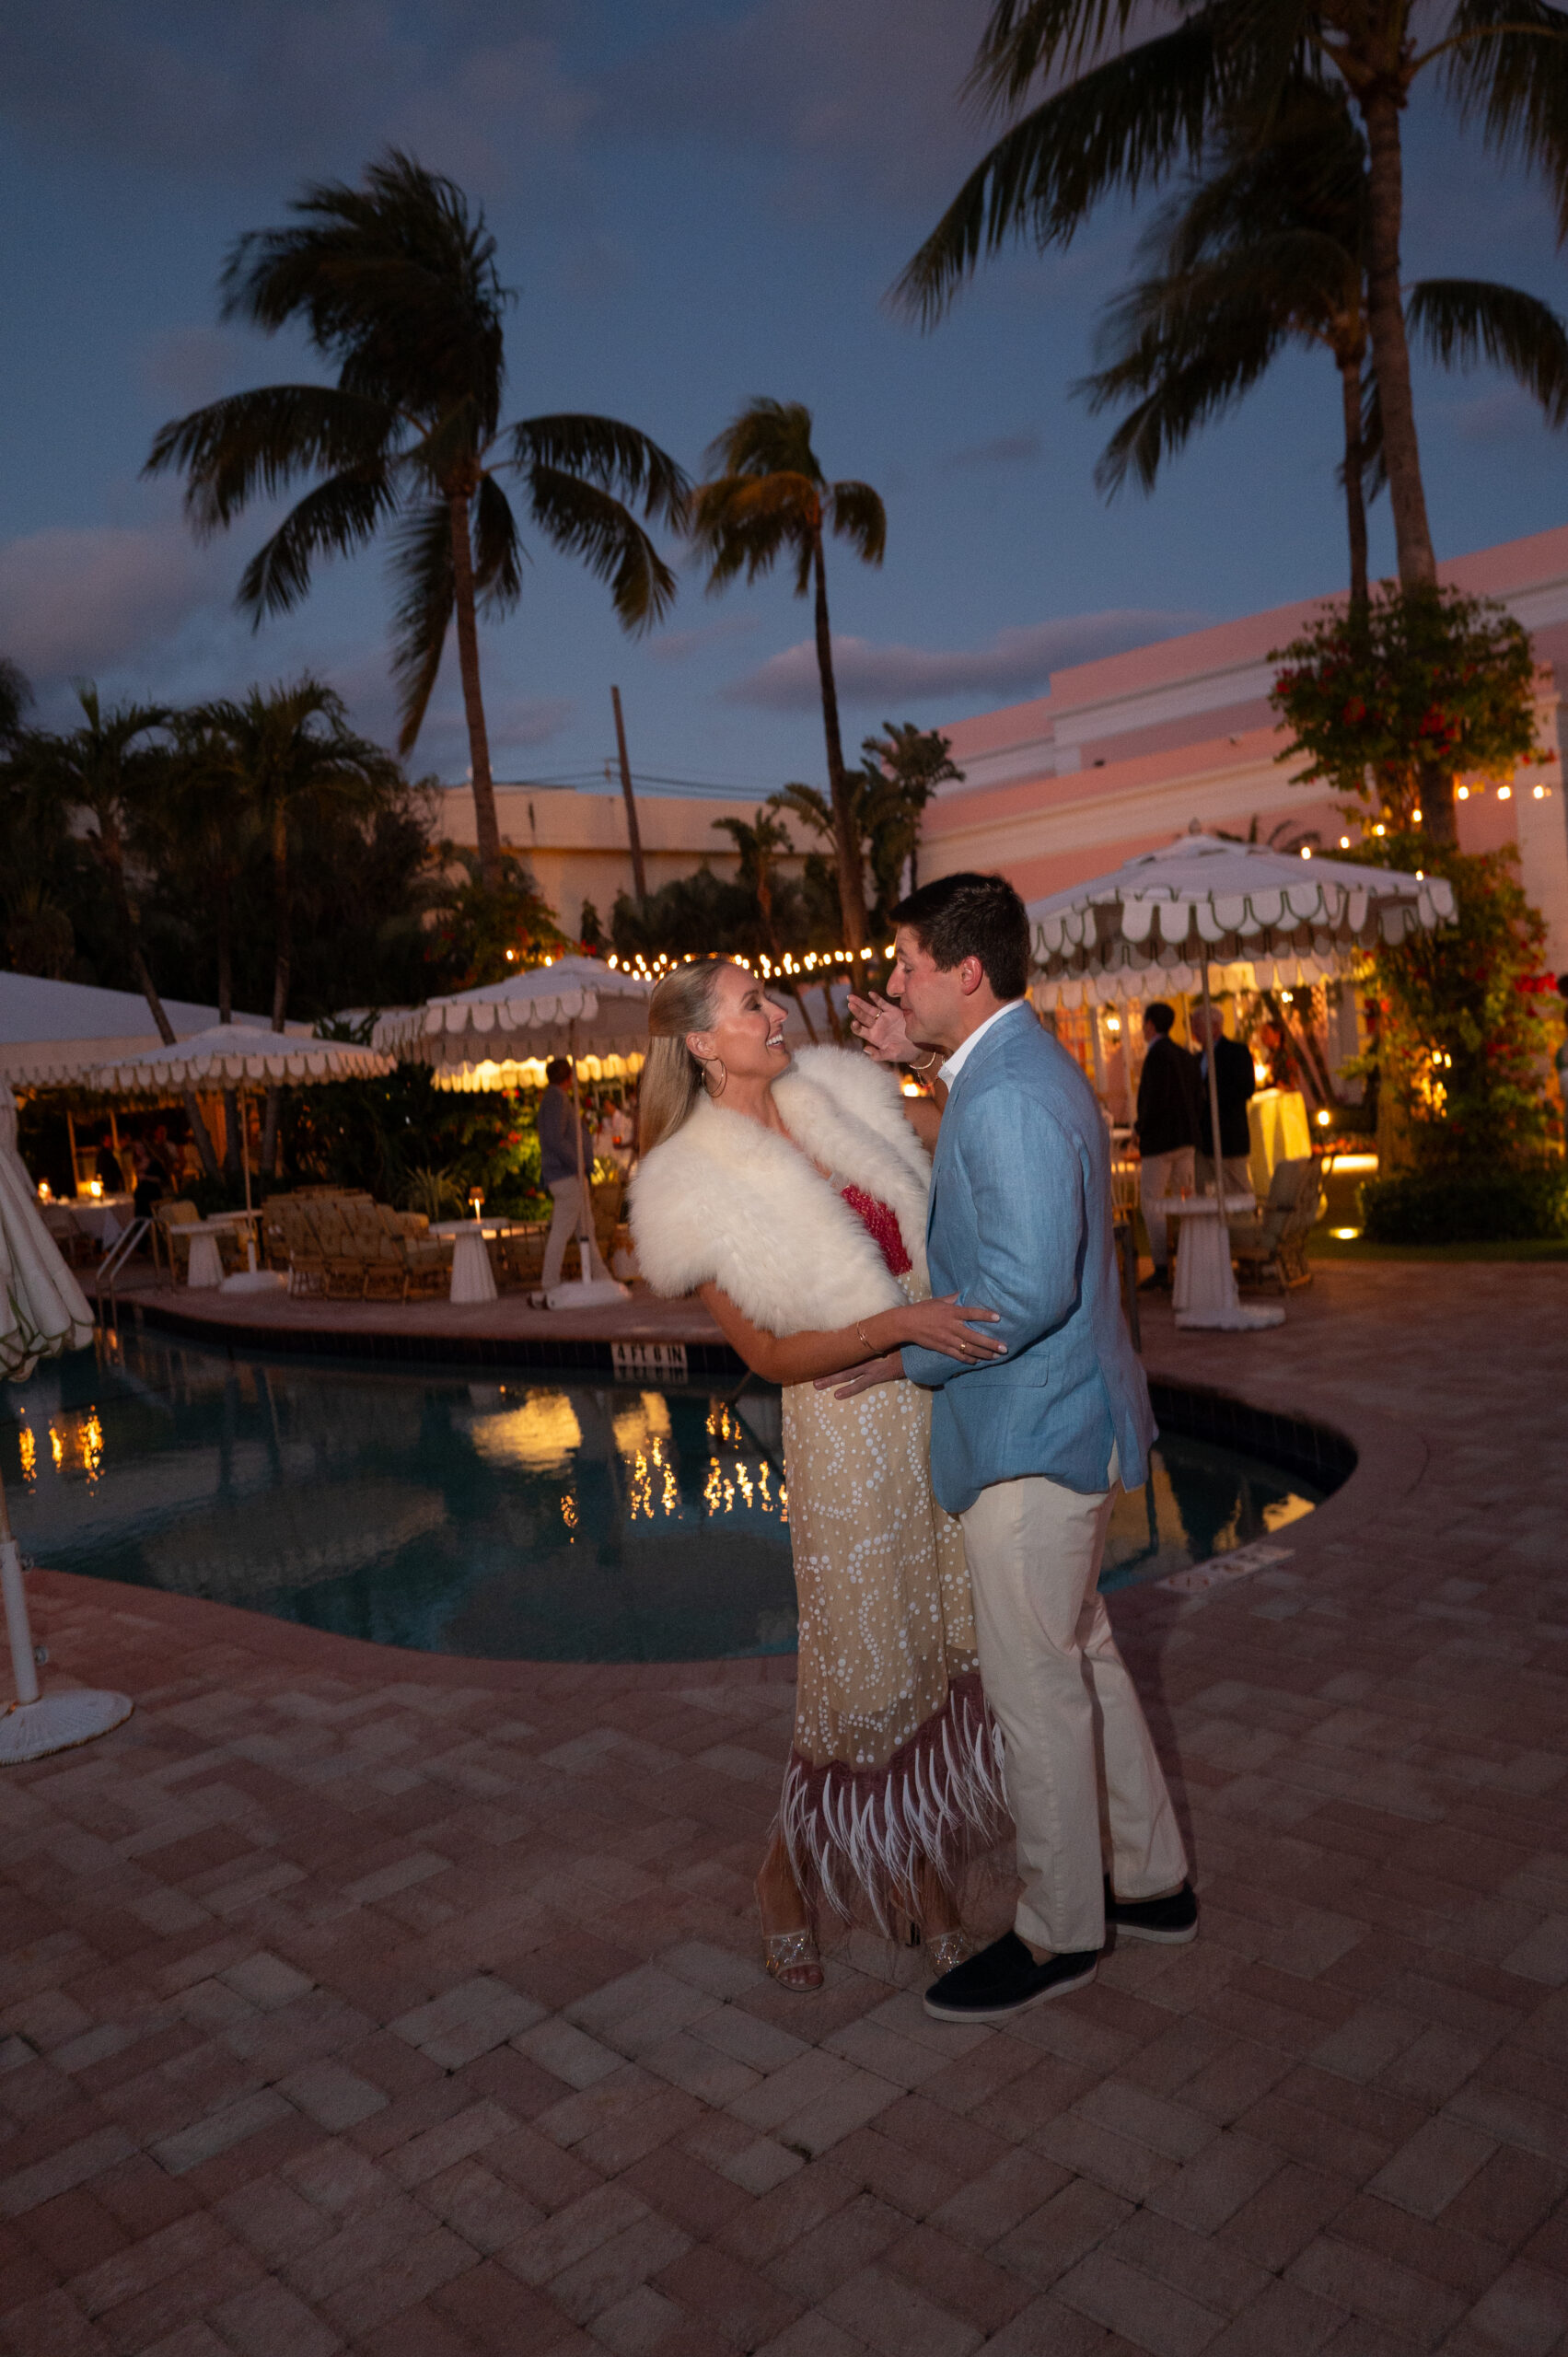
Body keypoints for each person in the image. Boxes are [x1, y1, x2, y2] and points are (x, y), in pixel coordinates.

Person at [845, 872, 1194, 2023]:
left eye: (903, 967)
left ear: (965, 972)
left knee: (1035, 1688)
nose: (887, 985)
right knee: (1081, 1652)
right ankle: (1149, 1882)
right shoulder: (1011, 1067)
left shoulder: (1002, 1096)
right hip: (1064, 1423)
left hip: (1032, 1440)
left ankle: (1058, 1935)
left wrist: (904, 1357)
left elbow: (1022, 1290)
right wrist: (915, 1056)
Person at [630, 958, 1009, 1992]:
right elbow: (764, 1354)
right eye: (749, 1002)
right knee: (860, 1672)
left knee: (933, 1649)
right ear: (701, 1043)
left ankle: (922, 1887)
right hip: (843, 1433)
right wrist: (895, 1323)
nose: (773, 1011)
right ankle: (785, 1878)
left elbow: (956, 1160)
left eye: (767, 995)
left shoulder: (839, 1091)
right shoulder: (685, 1181)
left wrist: (927, 1066)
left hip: (926, 1402)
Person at [1133, 1003, 1200, 1289]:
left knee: (1152, 1202)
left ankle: (1162, 1265)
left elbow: (1153, 1102)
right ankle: (1193, 1259)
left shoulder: (1156, 1058)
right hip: (1186, 1139)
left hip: (1161, 1143)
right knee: (1187, 1200)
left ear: (1150, 1025)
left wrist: (1140, 1129)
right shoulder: (1185, 1056)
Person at [537, 1058, 610, 1292]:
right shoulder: (556, 1099)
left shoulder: (553, 1099)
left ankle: (601, 1276)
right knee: (563, 1229)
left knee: (585, 1227)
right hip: (567, 1175)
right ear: (569, 1077)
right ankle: (550, 1282)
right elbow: (556, 1139)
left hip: (567, 1174)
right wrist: (577, 1163)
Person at [1191, 1004, 1256, 1202]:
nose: (1194, 1032)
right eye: (1194, 1027)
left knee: (1237, 1189)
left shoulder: (1236, 1052)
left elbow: (1245, 1088)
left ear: (1216, 1026)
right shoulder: (1196, 1057)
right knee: (1206, 1192)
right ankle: (1215, 1232)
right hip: (1203, 1141)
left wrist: (1209, 1094)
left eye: (1198, 1027)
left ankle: (1245, 1230)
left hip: (1228, 1135)